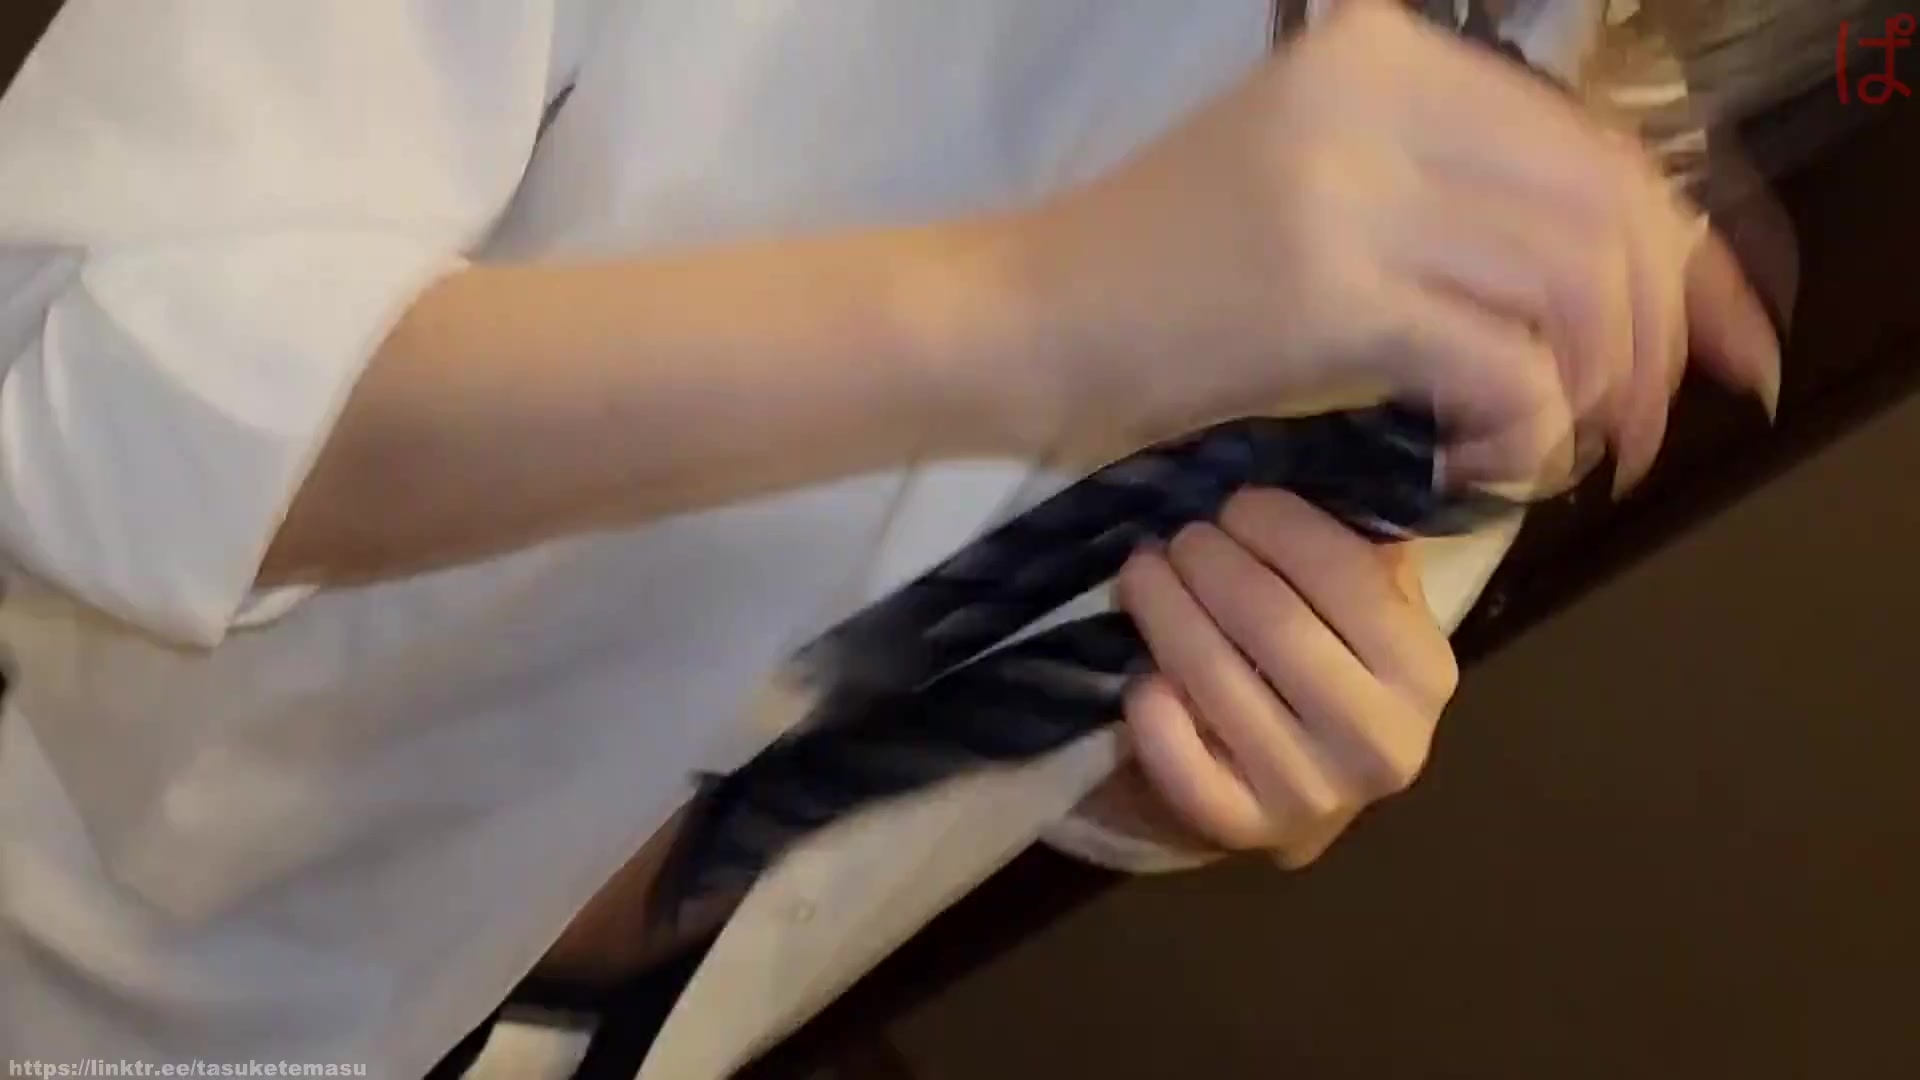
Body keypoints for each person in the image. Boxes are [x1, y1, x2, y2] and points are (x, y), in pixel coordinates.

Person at [0, 0, 1779, 1075]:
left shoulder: (1567, 152)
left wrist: (1193, 768)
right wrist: (1025, 314)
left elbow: (975, 720)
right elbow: (53, 361)